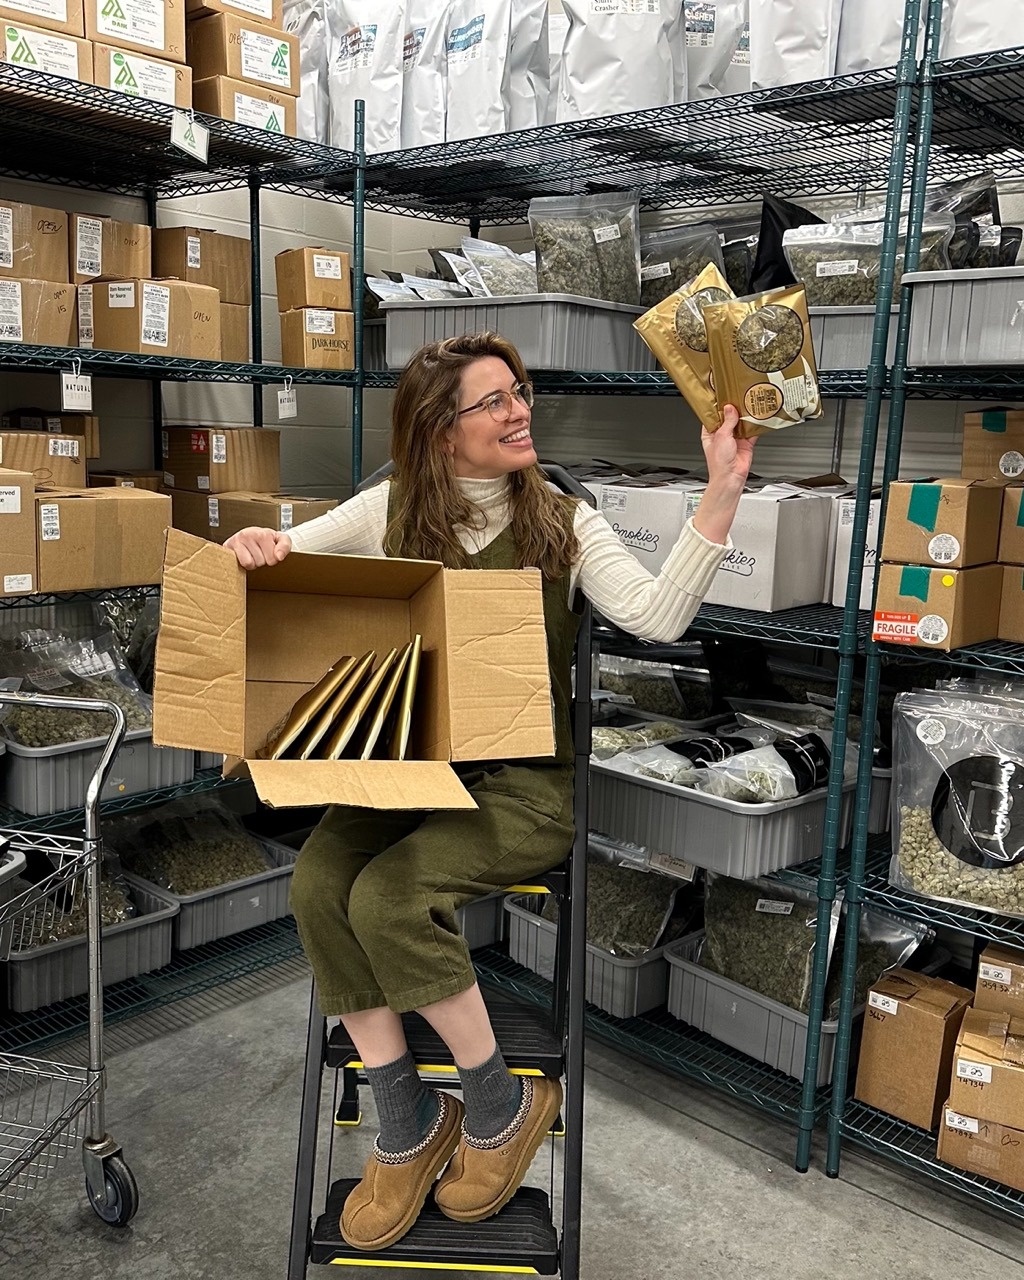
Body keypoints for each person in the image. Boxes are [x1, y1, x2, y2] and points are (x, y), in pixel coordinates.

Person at [226, 332, 755, 1252]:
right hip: (409, 768)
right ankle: (405, 1117)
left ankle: (500, 1106)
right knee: (317, 886)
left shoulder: (562, 520)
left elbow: (659, 614)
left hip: (523, 786)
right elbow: (286, 554)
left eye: (520, 392)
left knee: (390, 898)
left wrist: (722, 487)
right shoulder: (391, 507)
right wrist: (255, 542)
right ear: (441, 432)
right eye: (495, 401)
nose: (521, 412)